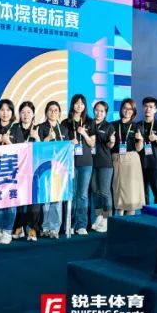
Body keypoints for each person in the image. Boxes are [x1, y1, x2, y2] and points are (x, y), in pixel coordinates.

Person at [0, 99, 21, 245]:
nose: (5, 113)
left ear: (12, 113)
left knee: (10, 202)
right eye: (2, 110)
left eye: (8, 110)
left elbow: (21, 151)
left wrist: (8, 142)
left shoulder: (17, 128)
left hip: (11, 170)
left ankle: (7, 231)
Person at [37, 101, 70, 239]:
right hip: (44, 167)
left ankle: (55, 228)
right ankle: (45, 227)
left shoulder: (63, 129)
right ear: (46, 112)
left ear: (59, 113)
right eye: (50, 110)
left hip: (59, 168)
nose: (53, 112)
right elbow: (37, 147)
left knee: (56, 199)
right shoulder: (40, 127)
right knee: (45, 199)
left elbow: (67, 148)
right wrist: (48, 138)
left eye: (56, 110)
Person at [12, 101, 42, 241]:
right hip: (17, 169)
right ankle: (19, 227)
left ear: (33, 114)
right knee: (18, 199)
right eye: (23, 112)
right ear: (19, 114)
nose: (26, 115)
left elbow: (43, 150)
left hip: (34, 168)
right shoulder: (14, 128)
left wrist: (37, 137)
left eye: (29, 112)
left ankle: (33, 229)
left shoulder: (38, 128)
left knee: (34, 200)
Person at [111, 98, 146, 216]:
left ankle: (131, 220)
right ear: (121, 109)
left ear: (134, 111)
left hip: (132, 161)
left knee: (132, 193)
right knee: (119, 191)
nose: (127, 111)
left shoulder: (137, 126)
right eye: (125, 108)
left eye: (130, 109)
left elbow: (139, 148)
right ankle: (119, 220)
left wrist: (140, 140)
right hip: (117, 159)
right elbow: (110, 145)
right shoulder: (113, 125)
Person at [69, 94, 96, 236]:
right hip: (70, 163)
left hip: (86, 163)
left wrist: (84, 134)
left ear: (85, 106)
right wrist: (70, 142)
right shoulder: (66, 122)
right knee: (72, 194)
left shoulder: (90, 122)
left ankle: (81, 225)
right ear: (72, 105)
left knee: (83, 195)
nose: (79, 106)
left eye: (82, 103)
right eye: (76, 103)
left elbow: (92, 143)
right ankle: (70, 224)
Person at [89, 101, 116, 232]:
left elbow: (110, 145)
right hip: (91, 162)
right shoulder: (89, 124)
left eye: (102, 111)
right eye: (97, 110)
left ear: (105, 113)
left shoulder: (108, 126)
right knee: (95, 191)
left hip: (105, 163)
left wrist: (112, 142)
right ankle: (99, 216)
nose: (99, 113)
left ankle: (107, 219)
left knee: (105, 192)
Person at [138, 97, 157, 205]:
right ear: (143, 108)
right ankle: (144, 213)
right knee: (143, 193)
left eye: (151, 107)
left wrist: (156, 138)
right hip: (141, 163)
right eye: (146, 106)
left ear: (155, 109)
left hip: (154, 163)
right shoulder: (138, 125)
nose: (148, 109)